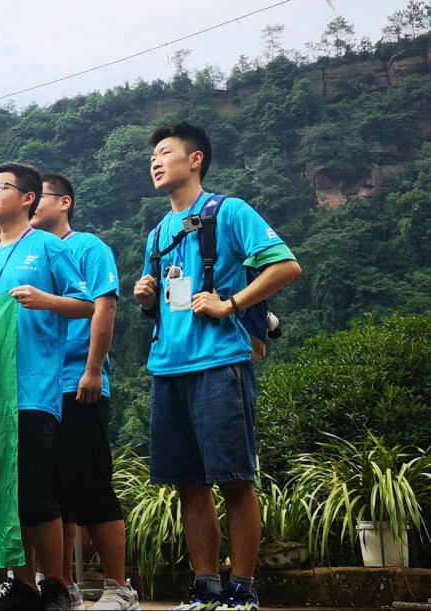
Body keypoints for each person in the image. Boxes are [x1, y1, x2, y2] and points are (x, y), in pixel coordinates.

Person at [134, 122, 300, 611]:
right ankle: (205, 589)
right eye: (152, 156)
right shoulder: (157, 233)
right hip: (168, 366)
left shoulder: (230, 211)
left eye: (166, 152)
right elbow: (166, 301)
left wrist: (231, 303)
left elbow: (285, 265)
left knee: (234, 479)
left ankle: (242, 589)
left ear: (196, 159)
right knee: (188, 483)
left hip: (220, 362)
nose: (156, 161)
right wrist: (146, 299)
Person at [0, 163, 93, 611]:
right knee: (7, 493)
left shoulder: (48, 246)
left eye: (1, 187)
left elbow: (85, 304)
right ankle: (21, 585)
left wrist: (45, 300)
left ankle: (56, 586)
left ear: (27, 198)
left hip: (35, 389)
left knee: (38, 489)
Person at [31, 173, 138, 610]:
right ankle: (64, 588)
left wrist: (93, 370)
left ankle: (119, 587)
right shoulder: (29, 253)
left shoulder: (88, 247)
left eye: (41, 196)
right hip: (40, 389)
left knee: (91, 484)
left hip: (79, 382)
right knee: (53, 494)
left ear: (64, 203)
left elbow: (104, 306)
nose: (34, 203)